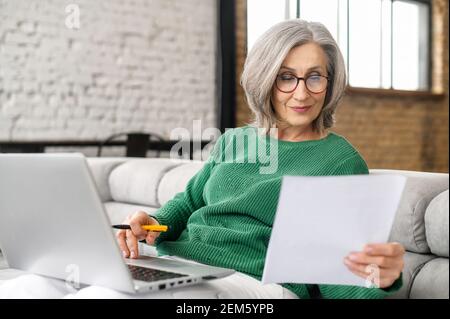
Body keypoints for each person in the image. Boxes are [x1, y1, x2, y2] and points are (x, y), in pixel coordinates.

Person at [116, 19, 405, 299]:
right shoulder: (235, 140)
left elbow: (337, 267)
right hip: (181, 265)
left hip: (257, 283)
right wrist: (152, 222)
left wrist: (377, 277)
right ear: (265, 79)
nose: (302, 93)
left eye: (315, 77)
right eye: (286, 77)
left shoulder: (339, 162)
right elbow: (190, 202)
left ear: (329, 83)